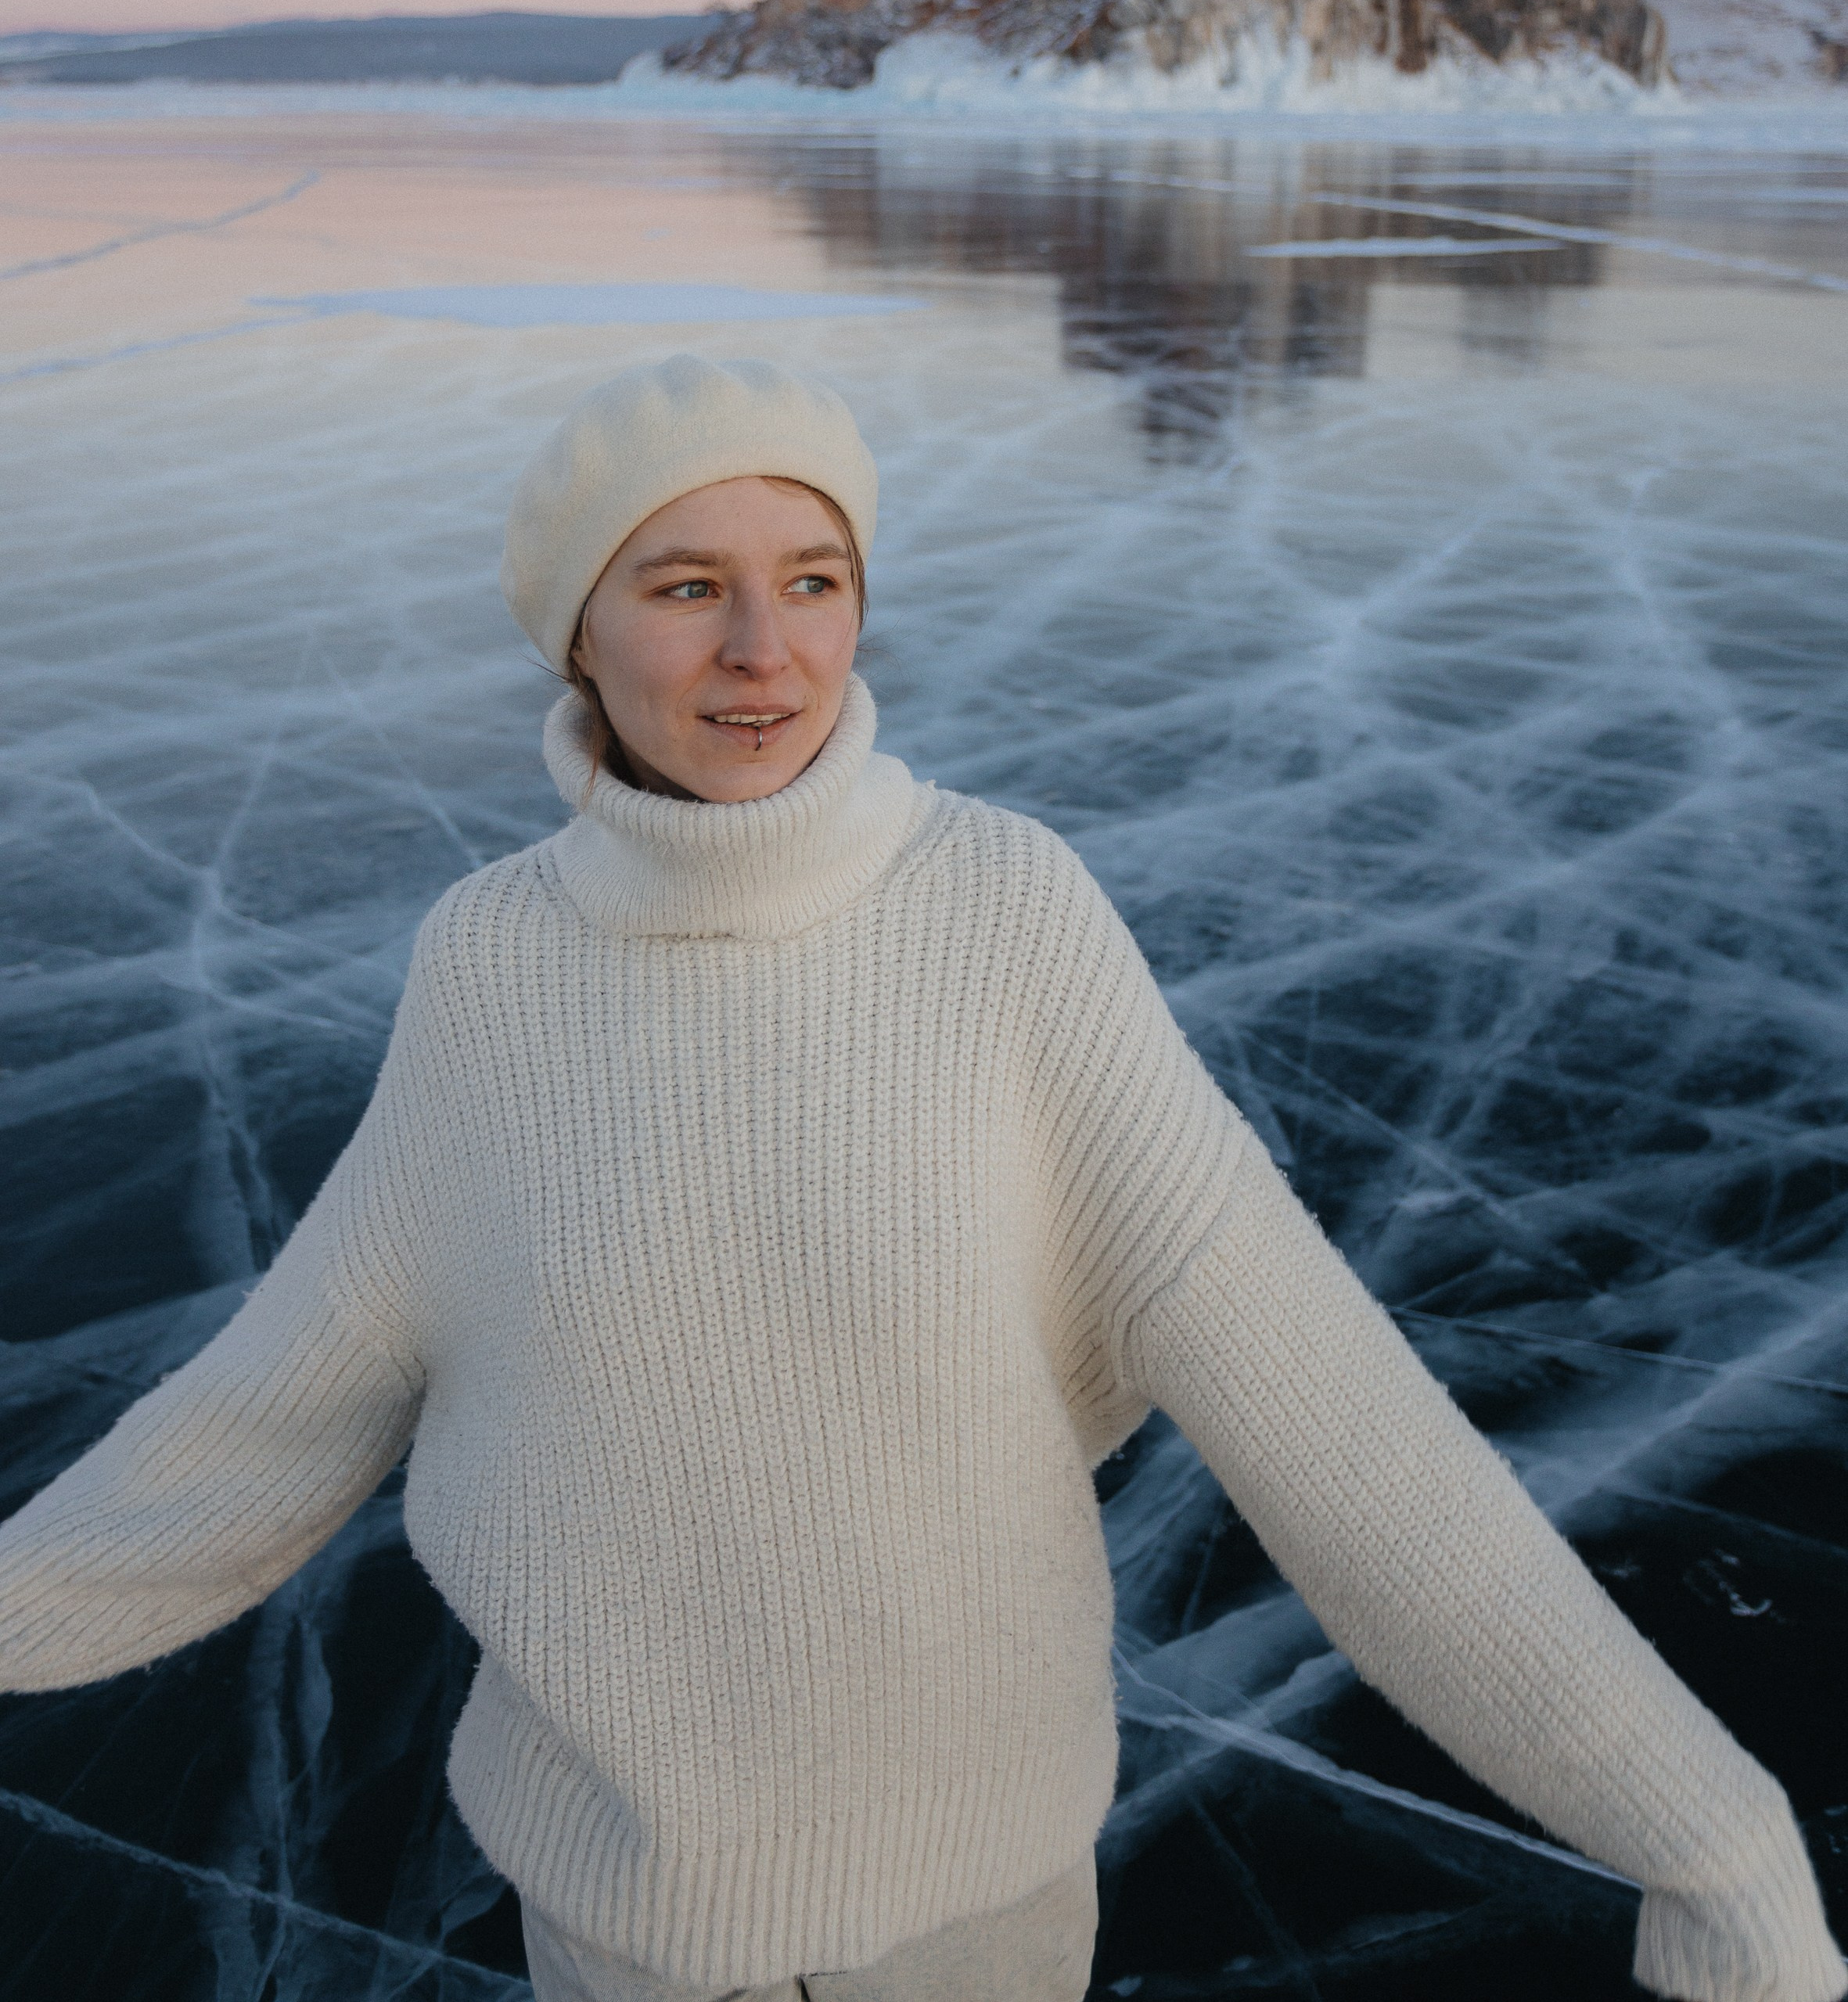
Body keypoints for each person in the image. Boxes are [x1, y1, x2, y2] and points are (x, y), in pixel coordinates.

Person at [0, 352, 1840, 2002]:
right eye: (683, 585)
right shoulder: (493, 962)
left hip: (963, 1926)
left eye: (813, 581)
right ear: (577, 630)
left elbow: (1335, 1415)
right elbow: (281, 1399)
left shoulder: (999, 914)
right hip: (611, 1929)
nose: (763, 651)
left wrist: (1705, 1829)